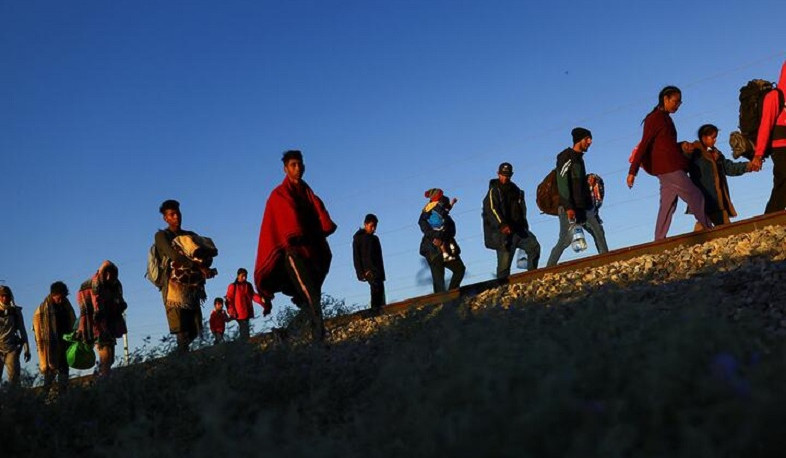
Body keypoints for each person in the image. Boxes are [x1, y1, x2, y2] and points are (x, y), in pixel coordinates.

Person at [254, 150, 337, 343]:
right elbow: (285, 225)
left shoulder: (308, 193)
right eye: (293, 165)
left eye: (300, 164)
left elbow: (319, 217)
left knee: (311, 300)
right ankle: (320, 342)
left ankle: (285, 335)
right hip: (293, 255)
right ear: (285, 169)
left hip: (310, 252)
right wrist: (298, 234)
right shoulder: (278, 195)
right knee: (312, 298)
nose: (298, 168)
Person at [627, 86, 713, 240]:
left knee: (668, 205)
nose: (677, 105)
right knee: (695, 195)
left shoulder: (665, 118)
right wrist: (632, 171)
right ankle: (709, 229)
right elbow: (644, 144)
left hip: (666, 167)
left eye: (680, 103)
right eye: (675, 101)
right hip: (668, 167)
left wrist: (681, 145)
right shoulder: (655, 118)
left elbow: (664, 144)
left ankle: (659, 241)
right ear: (665, 99)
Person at [154, 199, 217, 353]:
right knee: (181, 331)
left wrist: (205, 266)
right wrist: (199, 267)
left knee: (195, 329)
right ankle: (179, 361)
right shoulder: (162, 236)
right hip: (173, 290)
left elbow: (204, 252)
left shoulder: (190, 235)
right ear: (165, 218)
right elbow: (174, 256)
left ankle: (178, 360)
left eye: (177, 213)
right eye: (172, 214)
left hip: (192, 288)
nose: (176, 217)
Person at [547, 129, 609, 266]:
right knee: (565, 241)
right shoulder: (566, 157)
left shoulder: (579, 159)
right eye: (587, 139)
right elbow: (562, 182)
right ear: (579, 140)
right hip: (569, 207)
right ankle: (548, 269)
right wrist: (568, 207)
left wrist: (588, 178)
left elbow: (576, 182)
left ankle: (606, 261)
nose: (590, 142)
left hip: (583, 207)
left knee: (598, 231)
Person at [686, 124, 753, 227]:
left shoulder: (716, 154)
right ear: (704, 137)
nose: (715, 140)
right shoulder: (693, 152)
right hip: (703, 199)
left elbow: (729, 168)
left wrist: (748, 166)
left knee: (716, 227)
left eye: (715, 137)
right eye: (712, 137)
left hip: (718, 200)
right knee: (713, 228)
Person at [482, 162, 541, 278]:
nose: (505, 177)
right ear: (498, 174)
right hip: (503, 234)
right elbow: (492, 209)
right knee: (504, 267)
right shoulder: (494, 191)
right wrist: (502, 225)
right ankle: (502, 287)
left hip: (519, 230)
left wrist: (524, 225)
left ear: (511, 175)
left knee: (534, 247)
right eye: (503, 175)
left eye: (507, 175)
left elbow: (521, 210)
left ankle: (532, 276)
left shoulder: (516, 191)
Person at [76, 261, 128, 377]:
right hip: (96, 325)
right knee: (106, 355)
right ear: (104, 273)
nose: (110, 277)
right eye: (108, 273)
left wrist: (119, 306)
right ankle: (104, 381)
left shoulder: (114, 286)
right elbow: (87, 310)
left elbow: (118, 301)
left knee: (110, 358)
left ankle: (100, 378)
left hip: (109, 324)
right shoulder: (90, 286)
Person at [750, 61, 786, 213]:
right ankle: (770, 217)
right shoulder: (775, 96)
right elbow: (765, 125)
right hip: (780, 147)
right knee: (783, 182)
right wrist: (758, 154)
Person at [419, 189, 465, 293]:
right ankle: (445, 299)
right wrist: (437, 237)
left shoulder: (445, 217)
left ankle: (452, 294)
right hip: (433, 251)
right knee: (439, 281)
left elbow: (452, 231)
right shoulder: (426, 215)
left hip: (447, 249)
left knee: (459, 270)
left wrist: (442, 238)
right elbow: (425, 228)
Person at [32, 281, 76, 391]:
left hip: (65, 343)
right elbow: (38, 332)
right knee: (50, 372)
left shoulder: (67, 307)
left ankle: (63, 394)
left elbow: (73, 321)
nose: (60, 301)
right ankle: (45, 395)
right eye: (59, 298)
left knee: (64, 369)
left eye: (63, 298)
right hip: (50, 345)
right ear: (53, 295)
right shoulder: (42, 310)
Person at [352, 213, 386, 313]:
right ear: (365, 224)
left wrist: (382, 274)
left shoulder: (375, 239)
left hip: (378, 271)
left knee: (380, 292)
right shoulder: (358, 239)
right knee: (375, 290)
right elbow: (356, 258)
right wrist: (361, 274)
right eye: (371, 226)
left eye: (375, 226)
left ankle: (380, 311)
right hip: (368, 271)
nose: (373, 229)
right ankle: (375, 312)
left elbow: (380, 258)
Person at [0, 286, 31, 387]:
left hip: (11, 348)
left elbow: (22, 330)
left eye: (7, 296)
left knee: (14, 380)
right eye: (2, 296)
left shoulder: (15, 311)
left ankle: (15, 396)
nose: (5, 298)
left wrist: (27, 349)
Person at [225, 268, 261, 341]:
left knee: (245, 329)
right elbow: (229, 300)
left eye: (245, 276)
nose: (244, 278)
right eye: (243, 276)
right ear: (238, 276)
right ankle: (244, 343)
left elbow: (253, 296)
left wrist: (262, 300)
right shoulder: (233, 286)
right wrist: (232, 312)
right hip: (238, 313)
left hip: (247, 312)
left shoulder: (248, 285)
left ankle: (244, 343)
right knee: (244, 328)